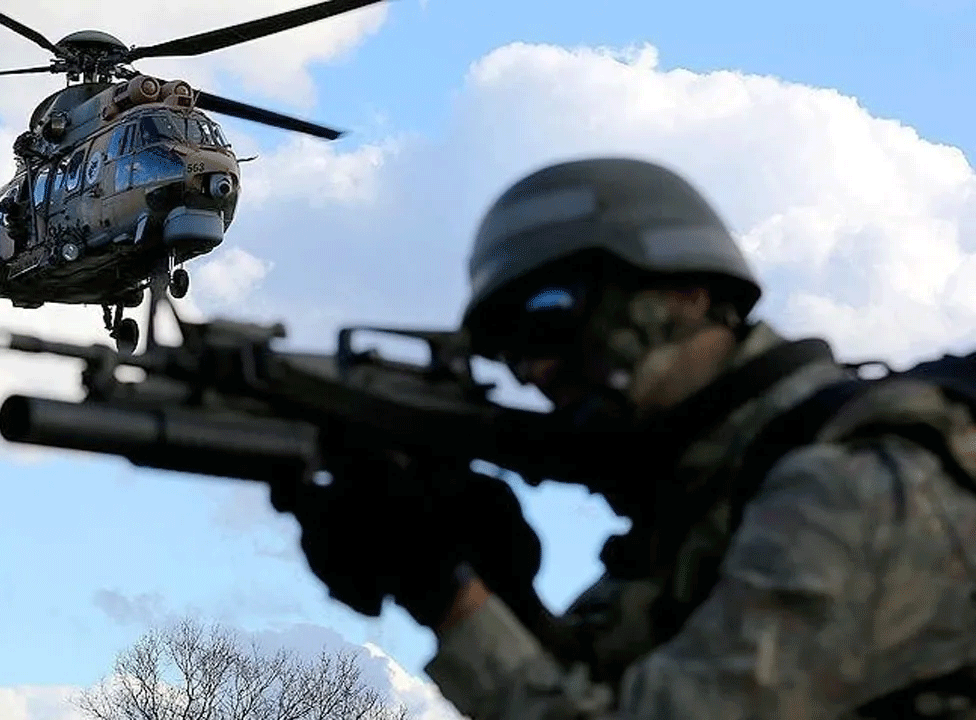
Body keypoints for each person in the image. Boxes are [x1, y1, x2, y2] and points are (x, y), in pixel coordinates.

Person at [279, 157, 976, 719]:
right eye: (512, 352)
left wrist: (453, 602)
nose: (538, 370)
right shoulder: (707, 504)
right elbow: (595, 695)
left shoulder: (851, 487)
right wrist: (505, 601)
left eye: (552, 314)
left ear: (689, 293)